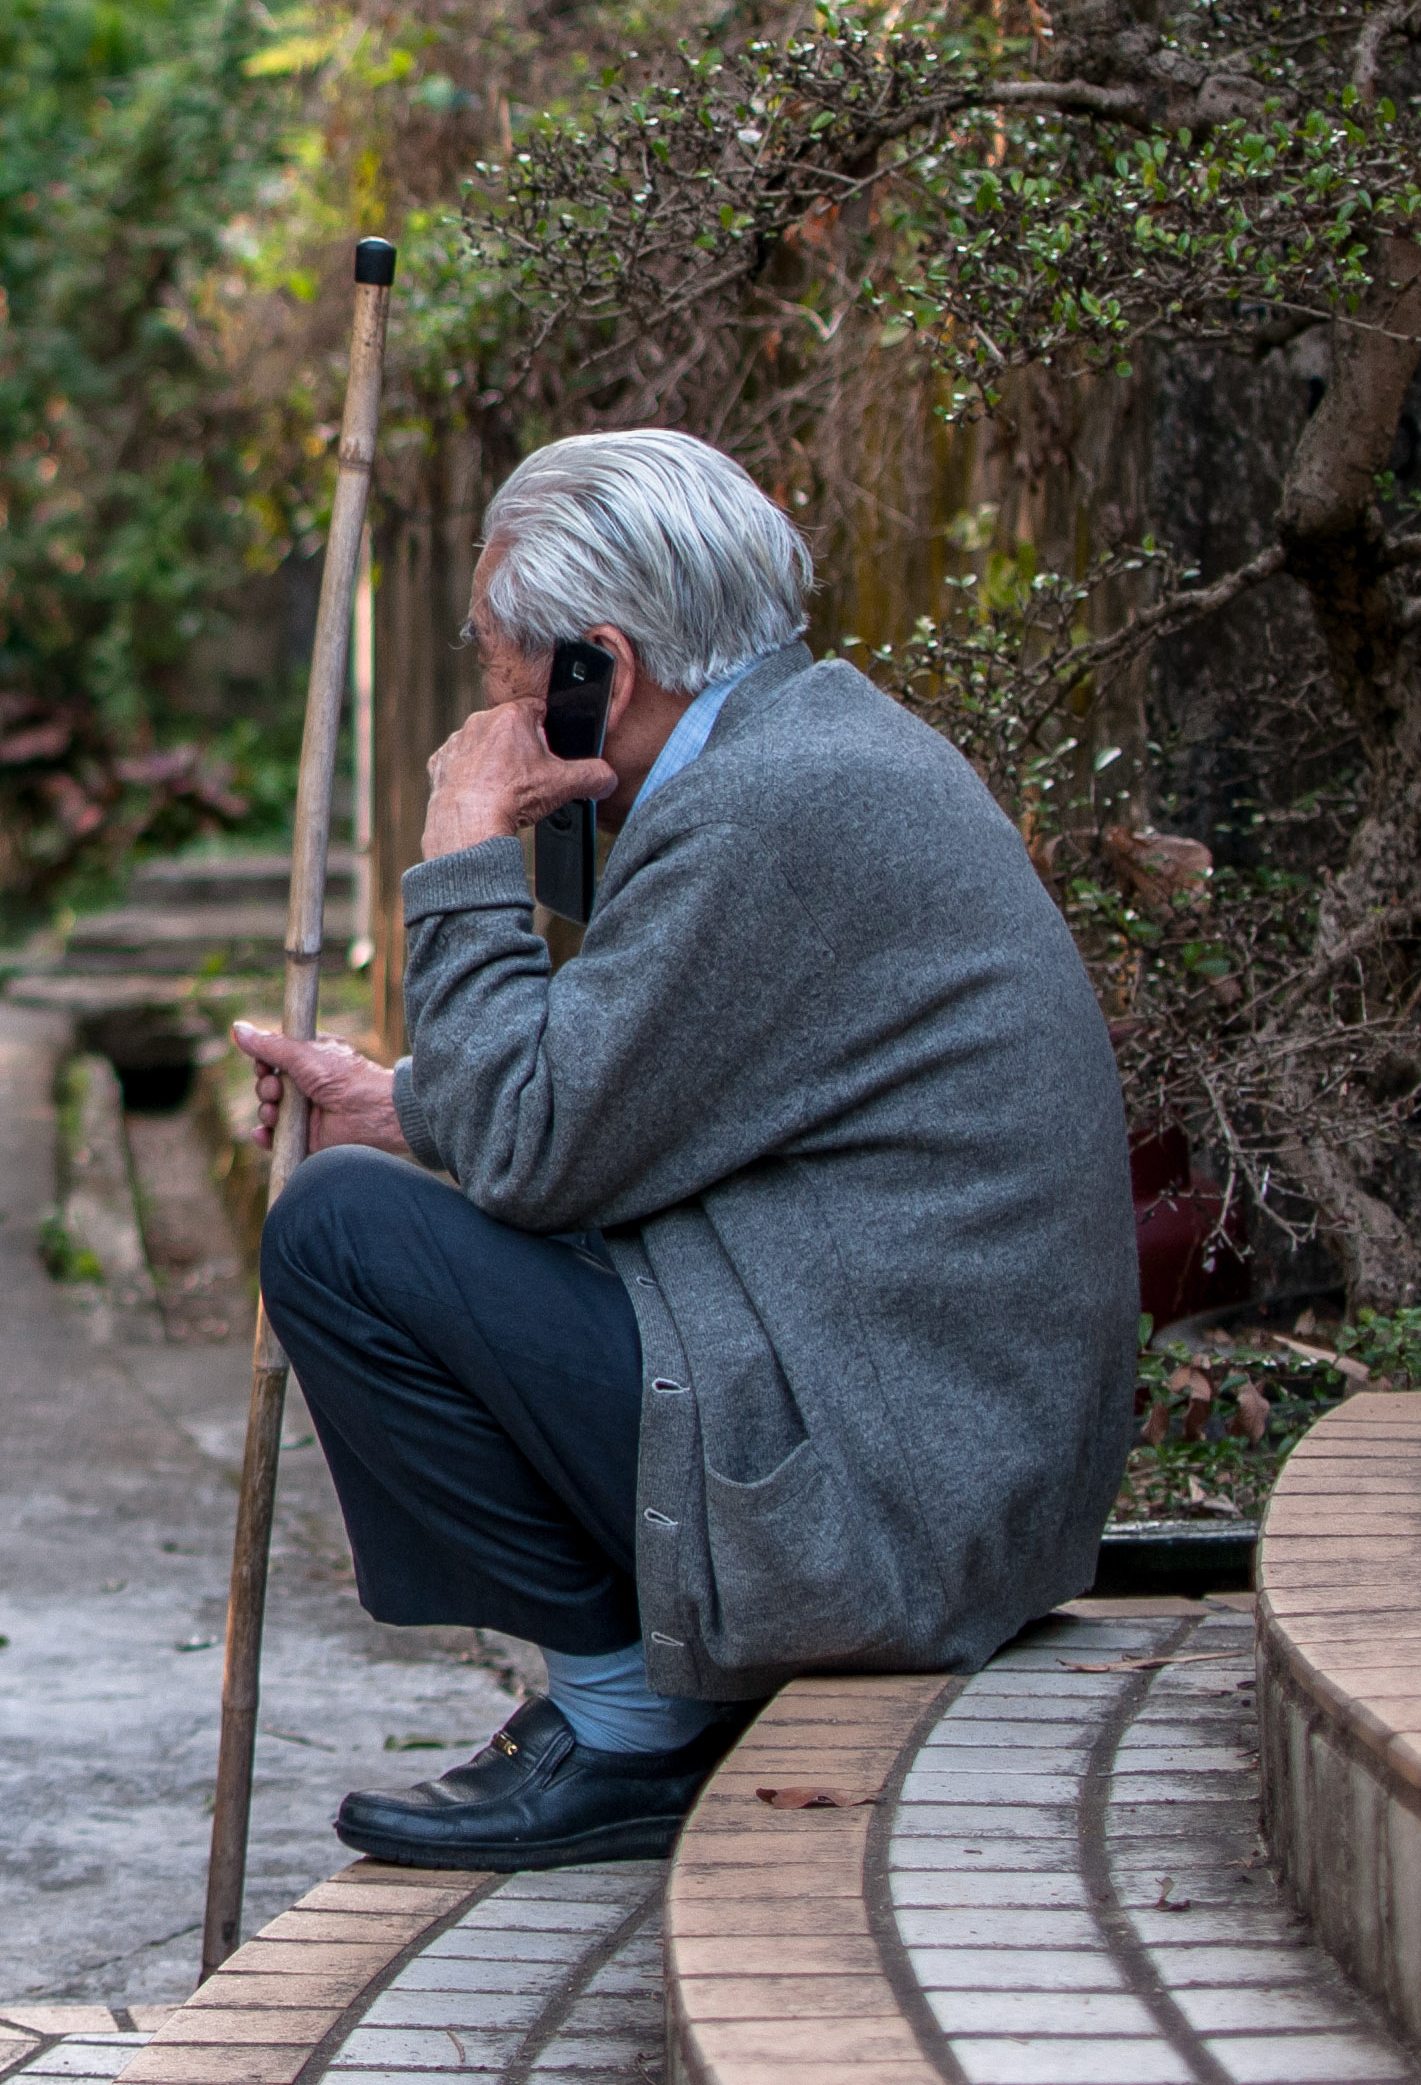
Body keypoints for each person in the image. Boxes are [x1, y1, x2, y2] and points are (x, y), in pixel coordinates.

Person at [228, 428, 1133, 1870]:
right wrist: (401, 1103)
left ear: (601, 667)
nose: (487, 711)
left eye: (500, 671)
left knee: (341, 1234)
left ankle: (630, 1730)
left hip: (884, 1513)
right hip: (927, 1466)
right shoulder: (808, 751)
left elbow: (537, 1152)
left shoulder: (771, 807)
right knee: (384, 1188)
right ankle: (646, 1698)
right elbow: (643, 1097)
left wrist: (463, 847)